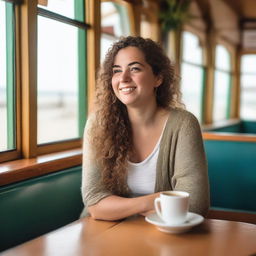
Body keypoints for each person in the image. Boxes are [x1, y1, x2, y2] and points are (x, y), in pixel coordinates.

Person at [80, 36, 209, 221]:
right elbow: (94, 202)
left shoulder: (183, 124)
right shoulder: (98, 124)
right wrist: (153, 201)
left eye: (134, 69)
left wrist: (119, 207)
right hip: (103, 230)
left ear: (158, 77)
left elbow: (196, 204)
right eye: (117, 71)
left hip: (164, 234)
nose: (123, 78)